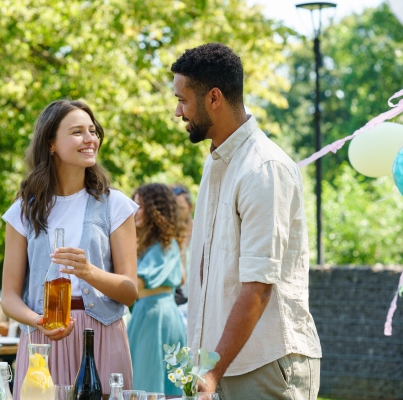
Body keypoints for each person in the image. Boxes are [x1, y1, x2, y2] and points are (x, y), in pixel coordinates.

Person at [171, 43, 322, 400]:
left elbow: (258, 288)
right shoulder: (215, 163)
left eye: (182, 100)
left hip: (266, 367)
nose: (177, 112)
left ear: (214, 98)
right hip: (222, 366)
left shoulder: (263, 169)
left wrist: (212, 372)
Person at [0, 100, 139, 398]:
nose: (90, 139)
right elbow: (9, 297)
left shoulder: (116, 205)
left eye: (93, 131)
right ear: (51, 143)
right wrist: (38, 322)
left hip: (101, 337)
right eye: (77, 132)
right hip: (42, 341)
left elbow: (130, 291)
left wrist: (89, 272)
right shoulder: (23, 211)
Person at [127, 183, 185, 396]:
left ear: (155, 210)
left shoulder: (165, 245)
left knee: (151, 384)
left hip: (157, 315)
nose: (135, 211)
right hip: (144, 313)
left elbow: (135, 283)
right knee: (141, 380)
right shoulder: (147, 244)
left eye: (141, 206)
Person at [169, 184, 194, 305]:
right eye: (172, 209)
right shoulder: (166, 237)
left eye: (181, 208)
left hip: (201, 303)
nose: (176, 214)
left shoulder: (205, 233)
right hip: (175, 304)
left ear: (190, 207)